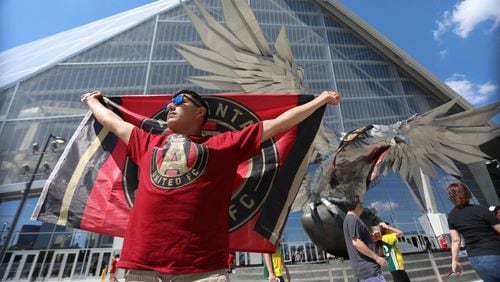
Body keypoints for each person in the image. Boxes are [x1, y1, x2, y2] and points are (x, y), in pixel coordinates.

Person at [80, 89, 341, 281]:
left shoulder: (222, 145)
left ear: (200, 112)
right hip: (141, 266)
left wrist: (320, 101)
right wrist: (93, 101)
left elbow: (278, 124)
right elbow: (112, 122)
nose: (171, 106)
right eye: (170, 102)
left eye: (180, 101)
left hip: (201, 268)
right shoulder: (147, 142)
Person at [446, 182, 500, 282]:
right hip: (494, 254)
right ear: (467, 194)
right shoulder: (481, 210)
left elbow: (455, 240)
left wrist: (454, 261)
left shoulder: (451, 216)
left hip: (475, 259)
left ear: (451, 198)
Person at [343, 195, 387, 282]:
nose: (363, 206)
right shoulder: (353, 219)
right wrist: (377, 258)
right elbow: (356, 242)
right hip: (368, 269)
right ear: (358, 205)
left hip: (365, 270)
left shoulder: (350, 220)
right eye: (361, 203)